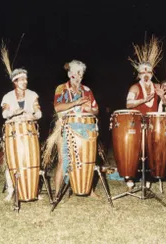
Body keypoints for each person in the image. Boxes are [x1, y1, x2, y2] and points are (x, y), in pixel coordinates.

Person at [48, 60, 99, 197]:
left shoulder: (87, 90)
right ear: (70, 74)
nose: (79, 76)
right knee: (63, 159)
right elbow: (57, 107)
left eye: (81, 73)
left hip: (85, 127)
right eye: (76, 73)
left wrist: (91, 110)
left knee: (86, 158)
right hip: (65, 127)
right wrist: (76, 102)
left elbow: (96, 110)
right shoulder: (61, 89)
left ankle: (89, 190)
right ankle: (58, 192)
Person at [125, 36, 166, 190]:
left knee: (151, 150)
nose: (146, 75)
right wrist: (144, 100)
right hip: (137, 123)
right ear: (139, 75)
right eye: (143, 73)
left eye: (148, 72)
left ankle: (149, 176)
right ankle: (130, 176)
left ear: (151, 74)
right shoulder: (135, 88)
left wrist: (162, 95)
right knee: (136, 150)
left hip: (153, 124)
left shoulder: (157, 86)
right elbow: (128, 104)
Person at [1, 68, 42, 201]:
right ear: (15, 81)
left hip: (29, 130)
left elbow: (39, 113)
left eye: (26, 79)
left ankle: (33, 189)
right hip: (13, 131)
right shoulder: (8, 97)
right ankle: (11, 190)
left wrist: (33, 116)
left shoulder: (32, 94)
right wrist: (14, 113)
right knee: (12, 161)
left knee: (32, 160)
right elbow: (4, 114)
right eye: (21, 79)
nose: (25, 82)